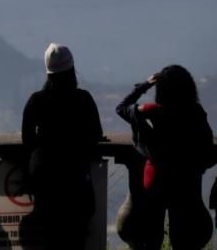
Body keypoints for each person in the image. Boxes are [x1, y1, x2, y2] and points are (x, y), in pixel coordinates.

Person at [116, 65, 214, 250]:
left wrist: (144, 85)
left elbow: (121, 108)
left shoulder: (151, 110)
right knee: (183, 237)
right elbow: (206, 146)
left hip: (155, 181)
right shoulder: (195, 113)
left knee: (151, 237)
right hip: (184, 182)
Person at [21, 43, 103, 250]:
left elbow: (27, 139)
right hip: (74, 176)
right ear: (72, 69)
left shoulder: (36, 100)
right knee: (75, 236)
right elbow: (95, 134)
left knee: (49, 236)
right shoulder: (83, 99)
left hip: (44, 176)